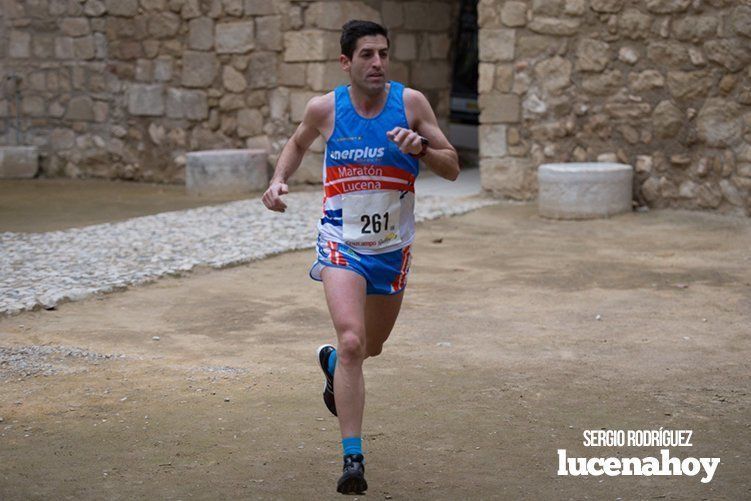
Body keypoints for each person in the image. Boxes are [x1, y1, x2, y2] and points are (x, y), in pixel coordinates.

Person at [261, 19, 460, 494]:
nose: (378, 63)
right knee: (352, 341)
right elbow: (297, 142)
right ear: (346, 62)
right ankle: (353, 459)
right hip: (341, 242)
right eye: (367, 55)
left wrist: (424, 148)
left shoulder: (410, 104)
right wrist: (277, 179)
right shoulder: (325, 108)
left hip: (392, 250)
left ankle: (331, 366)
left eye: (384, 54)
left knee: (370, 347)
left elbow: (451, 166)